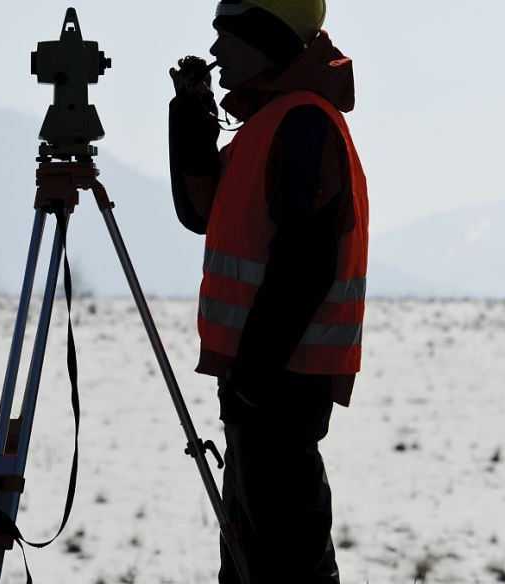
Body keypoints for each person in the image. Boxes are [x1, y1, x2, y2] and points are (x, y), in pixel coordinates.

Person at [168, 1, 369, 582]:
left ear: (267, 40)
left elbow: (305, 261)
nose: (215, 51)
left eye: (227, 36)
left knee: (284, 563)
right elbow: (201, 211)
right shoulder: (270, 121)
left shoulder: (302, 122)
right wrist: (193, 124)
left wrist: (253, 380)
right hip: (261, 381)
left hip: (278, 382)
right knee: (253, 558)